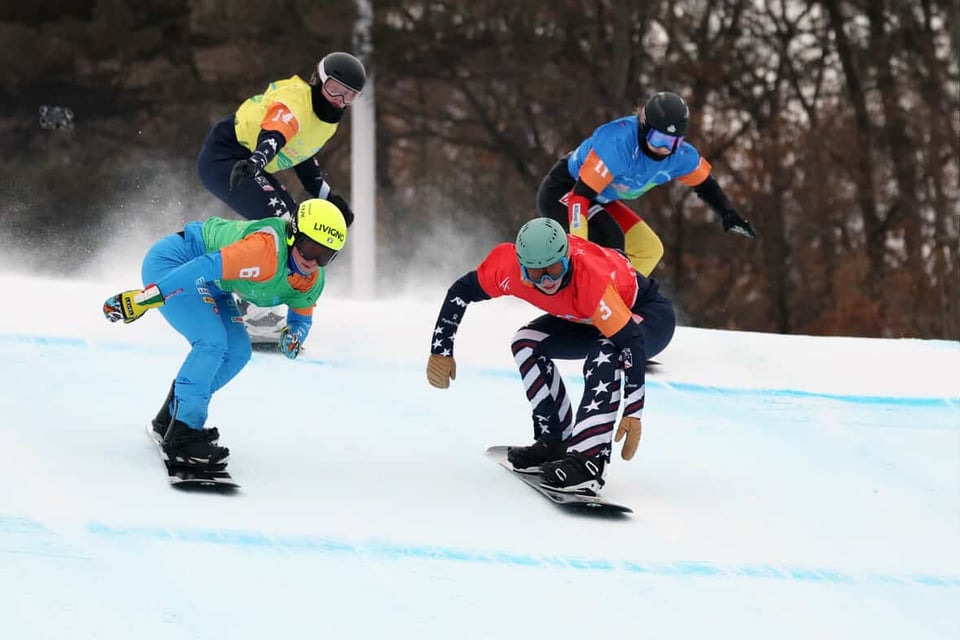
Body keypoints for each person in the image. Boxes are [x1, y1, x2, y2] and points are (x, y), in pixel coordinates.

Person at [426, 218, 676, 494]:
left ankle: (588, 461)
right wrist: (441, 349)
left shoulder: (591, 279)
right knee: (526, 342)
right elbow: (460, 292)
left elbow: (630, 342)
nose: (547, 281)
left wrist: (633, 411)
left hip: (645, 314)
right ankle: (555, 440)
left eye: (554, 270)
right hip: (587, 317)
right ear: (521, 269)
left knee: (604, 352)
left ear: (567, 259)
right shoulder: (504, 266)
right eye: (536, 274)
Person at [102, 199, 348, 467]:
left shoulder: (312, 280)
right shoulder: (263, 251)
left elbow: (301, 318)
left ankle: (172, 417)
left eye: (325, 255)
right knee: (211, 343)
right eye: (308, 247)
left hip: (214, 284)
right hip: (177, 265)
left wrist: (294, 337)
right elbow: (202, 267)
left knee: (239, 351)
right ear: (292, 234)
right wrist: (147, 298)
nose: (313, 261)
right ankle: (183, 434)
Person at [196, 51, 365, 340]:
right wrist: (259, 160)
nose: (339, 101)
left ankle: (249, 295)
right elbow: (277, 134)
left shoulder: (327, 121)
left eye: (349, 96)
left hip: (248, 161)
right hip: (228, 157)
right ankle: (251, 308)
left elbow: (302, 154)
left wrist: (327, 196)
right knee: (282, 225)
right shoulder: (295, 102)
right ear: (318, 81)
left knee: (295, 225)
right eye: (334, 90)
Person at [537, 91, 755, 277]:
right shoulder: (618, 145)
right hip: (566, 189)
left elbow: (706, 185)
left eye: (673, 142)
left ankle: (617, 298)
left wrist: (727, 212)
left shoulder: (680, 156)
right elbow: (580, 197)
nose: (664, 149)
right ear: (643, 126)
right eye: (658, 139)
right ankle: (584, 295)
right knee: (611, 239)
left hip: (600, 199)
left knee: (649, 249)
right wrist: (579, 247)